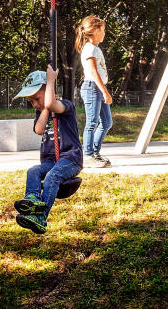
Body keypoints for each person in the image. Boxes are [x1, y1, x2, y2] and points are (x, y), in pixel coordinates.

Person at [13, 65, 83, 234]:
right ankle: (33, 201)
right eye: (31, 102)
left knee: (52, 177)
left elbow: (51, 103)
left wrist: (50, 81)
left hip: (69, 158)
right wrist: (44, 108)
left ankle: (41, 217)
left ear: (49, 90)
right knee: (33, 171)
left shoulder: (65, 107)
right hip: (50, 160)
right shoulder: (43, 112)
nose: (35, 104)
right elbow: (39, 130)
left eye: (37, 98)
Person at [76, 15, 113, 168]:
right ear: (96, 30)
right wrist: (105, 91)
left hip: (97, 88)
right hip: (92, 88)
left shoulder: (95, 48)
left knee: (106, 122)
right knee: (92, 123)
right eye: (103, 30)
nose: (104, 33)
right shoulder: (89, 48)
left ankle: (95, 152)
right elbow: (93, 72)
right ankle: (88, 155)